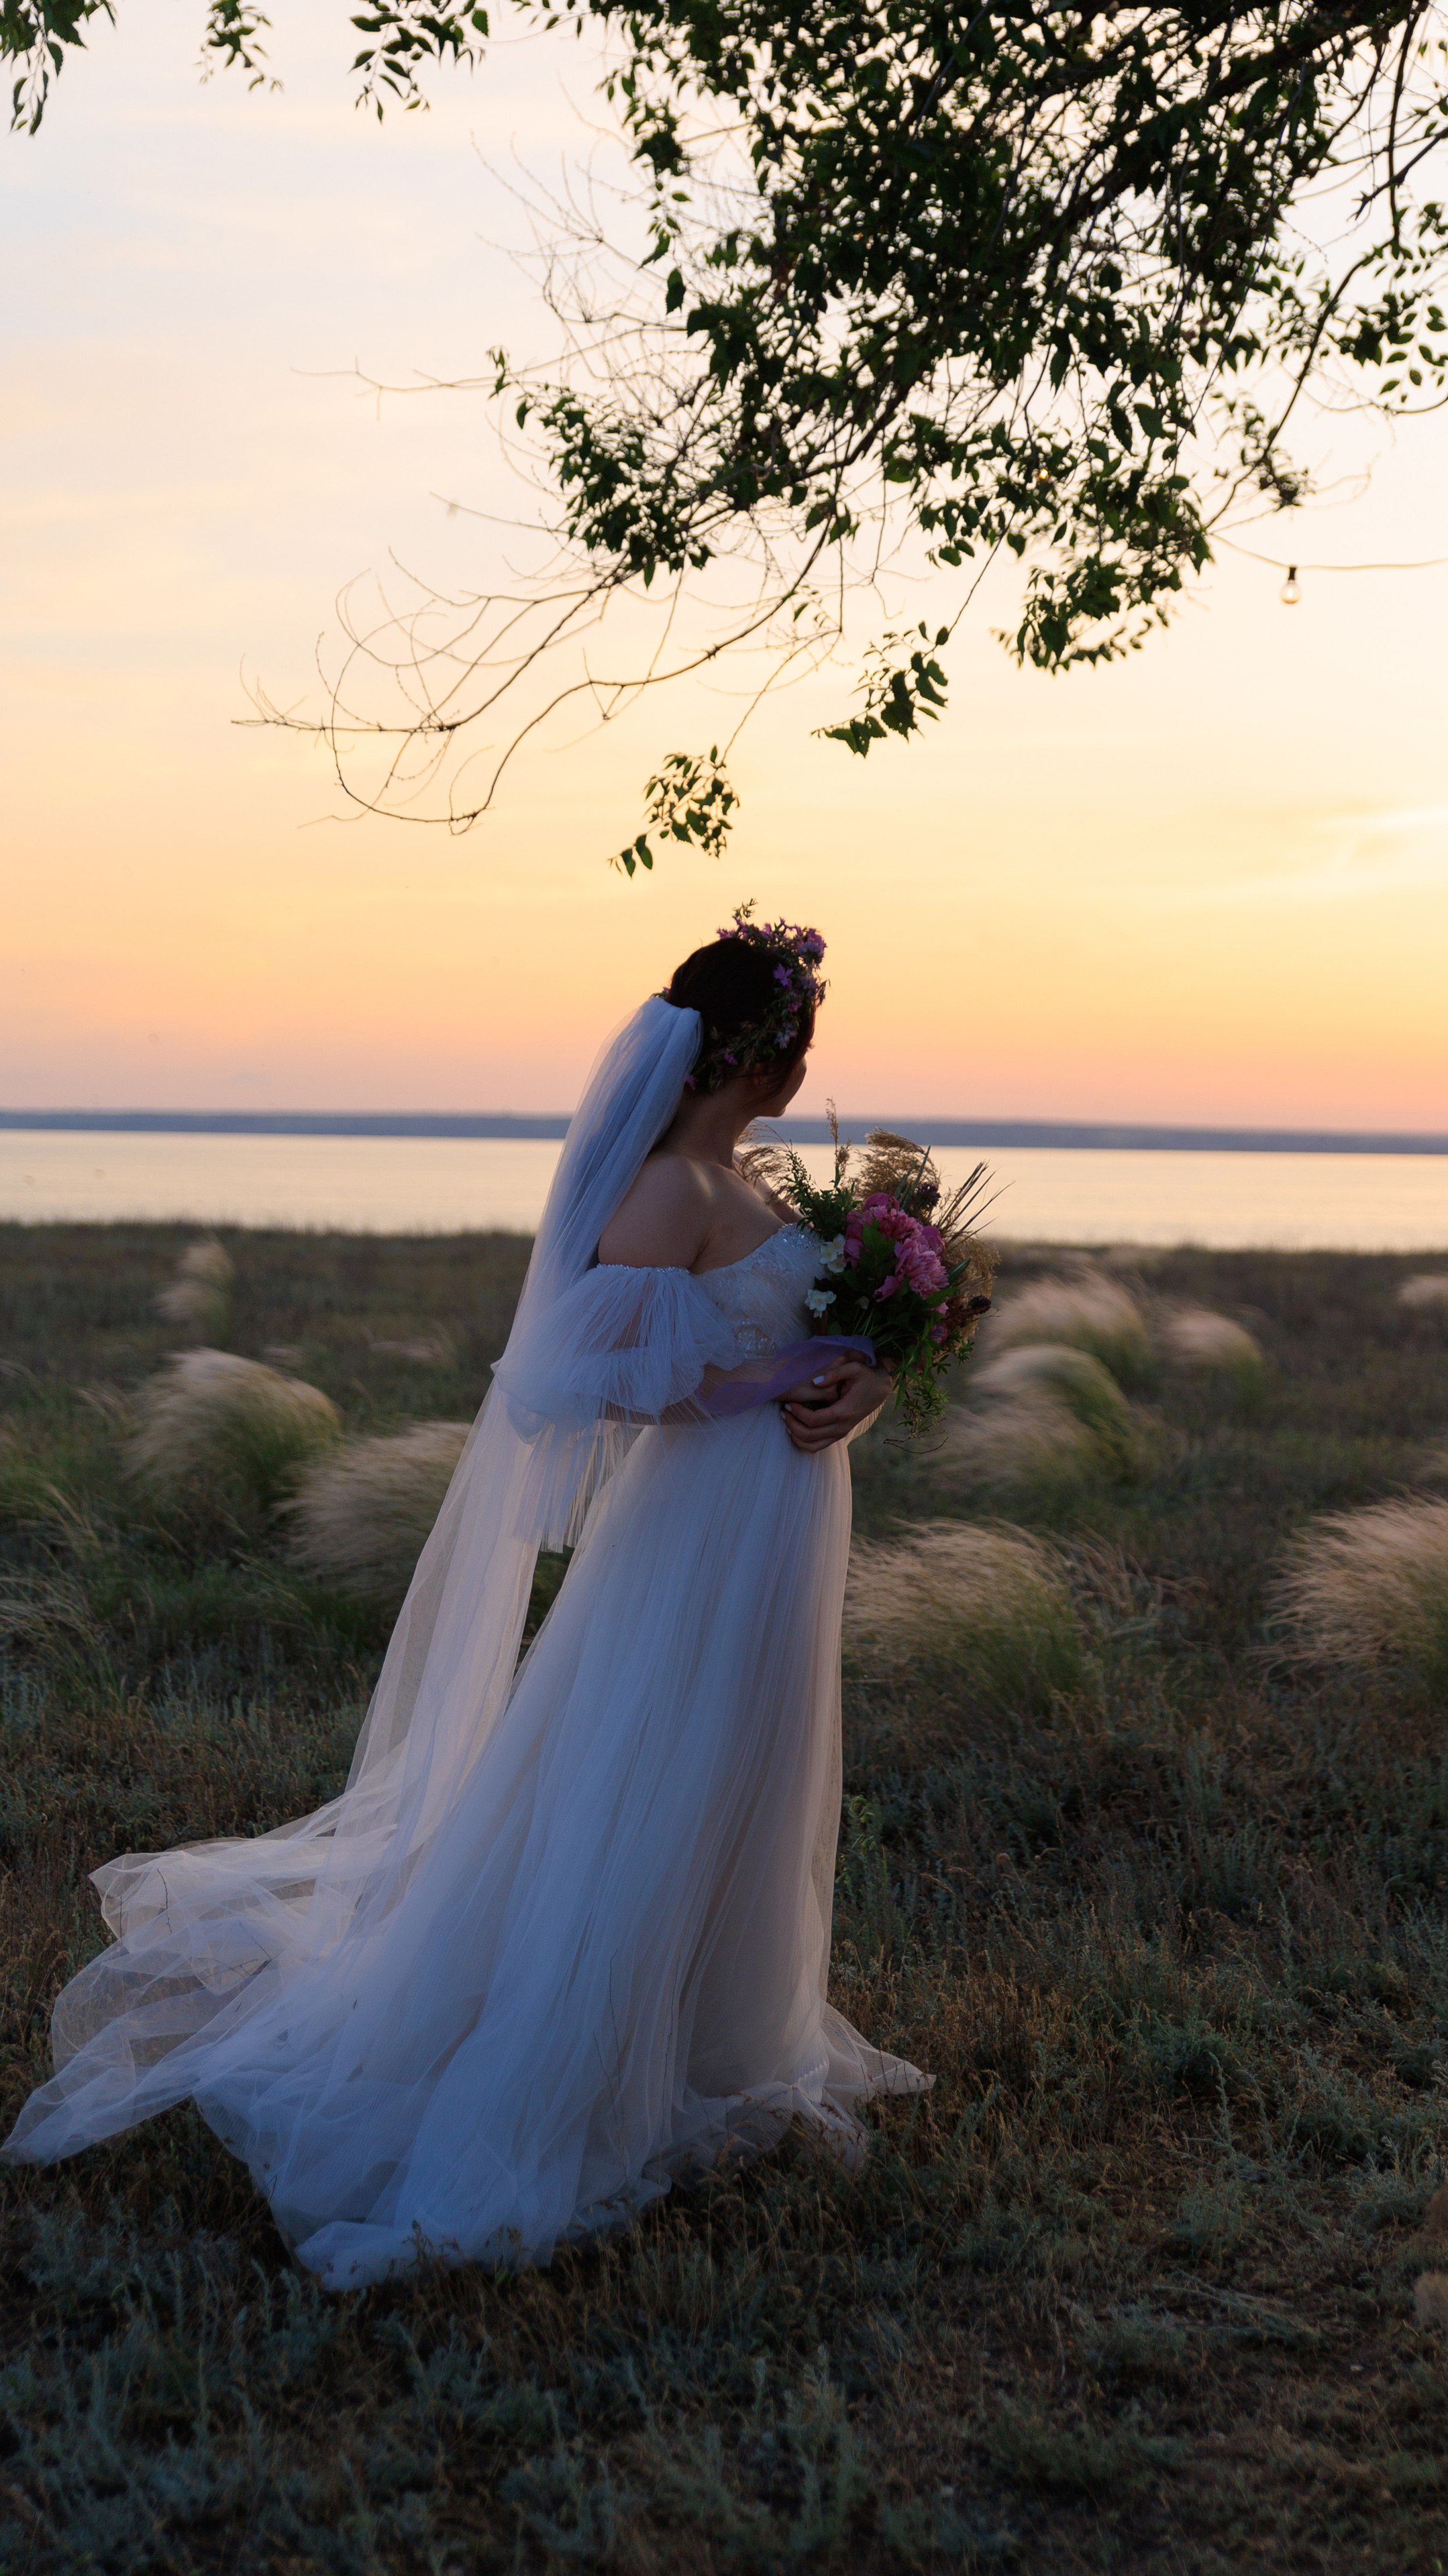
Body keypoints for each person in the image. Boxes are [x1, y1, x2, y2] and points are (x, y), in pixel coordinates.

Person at [3, 912, 931, 2286]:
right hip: (700, 1528)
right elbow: (577, 1373)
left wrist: (871, 1374)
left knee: (757, 1763)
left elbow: (813, 1334)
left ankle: (721, 2040)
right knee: (666, 1768)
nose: (804, 1070)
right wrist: (754, 1389)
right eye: (797, 1041)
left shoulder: (761, 1188)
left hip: (781, 1519)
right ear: (762, 1054)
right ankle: (594, 2064)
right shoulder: (673, 1189)